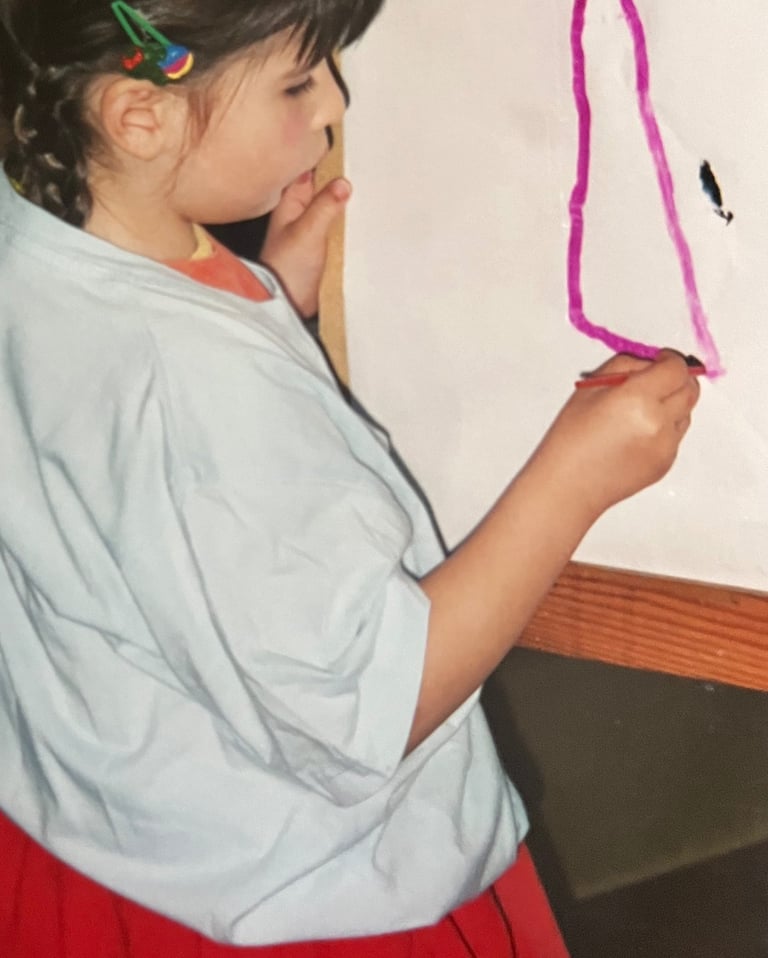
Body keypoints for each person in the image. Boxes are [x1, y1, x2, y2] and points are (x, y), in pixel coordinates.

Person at [0, 1, 700, 955]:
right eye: (299, 81)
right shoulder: (190, 390)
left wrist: (270, 308)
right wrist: (574, 479)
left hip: (114, 853)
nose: (335, 103)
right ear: (140, 116)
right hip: (311, 903)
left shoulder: (44, 243)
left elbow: (142, 497)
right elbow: (376, 707)